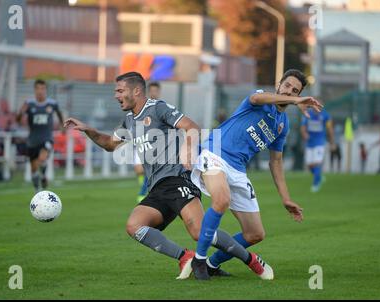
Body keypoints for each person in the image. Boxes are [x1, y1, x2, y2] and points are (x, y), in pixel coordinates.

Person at [64, 72, 269, 280]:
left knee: (200, 232)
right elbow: (109, 144)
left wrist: (188, 149)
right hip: (158, 188)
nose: (116, 95)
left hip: (179, 180)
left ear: (136, 91)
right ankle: (185, 257)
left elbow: (191, 127)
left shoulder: (158, 108)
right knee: (134, 226)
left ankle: (250, 259)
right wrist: (88, 130)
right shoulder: (129, 120)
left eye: (120, 90)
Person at [190, 69, 323, 280]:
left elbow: (276, 162)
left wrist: (286, 198)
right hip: (215, 152)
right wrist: (296, 100)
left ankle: (211, 264)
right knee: (221, 200)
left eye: (295, 90)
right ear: (279, 84)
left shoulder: (282, 125)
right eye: (287, 86)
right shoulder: (261, 97)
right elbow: (256, 97)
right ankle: (198, 259)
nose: (289, 91)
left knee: (255, 234)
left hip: (238, 169)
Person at [16, 79, 64, 192]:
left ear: (45, 90)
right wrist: (20, 113)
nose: (40, 91)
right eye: (38, 88)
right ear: (34, 90)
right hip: (32, 140)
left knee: (42, 158)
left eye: (42, 88)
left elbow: (59, 113)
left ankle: (42, 175)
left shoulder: (52, 104)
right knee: (33, 168)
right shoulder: (29, 104)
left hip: (46, 138)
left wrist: (63, 126)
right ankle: (38, 189)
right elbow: (17, 120)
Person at [134, 82, 162, 202]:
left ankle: (143, 193)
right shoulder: (141, 106)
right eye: (152, 90)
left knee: (148, 169)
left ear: (159, 92)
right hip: (141, 141)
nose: (154, 93)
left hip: (155, 145)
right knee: (139, 170)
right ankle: (144, 186)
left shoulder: (161, 107)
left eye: (156, 91)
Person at [300, 107, 335, 192]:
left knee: (317, 163)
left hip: (320, 143)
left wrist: (332, 143)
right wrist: (304, 134)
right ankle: (319, 176)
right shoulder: (307, 114)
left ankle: (316, 184)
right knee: (309, 165)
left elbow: (329, 129)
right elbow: (303, 126)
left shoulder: (325, 115)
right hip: (309, 143)